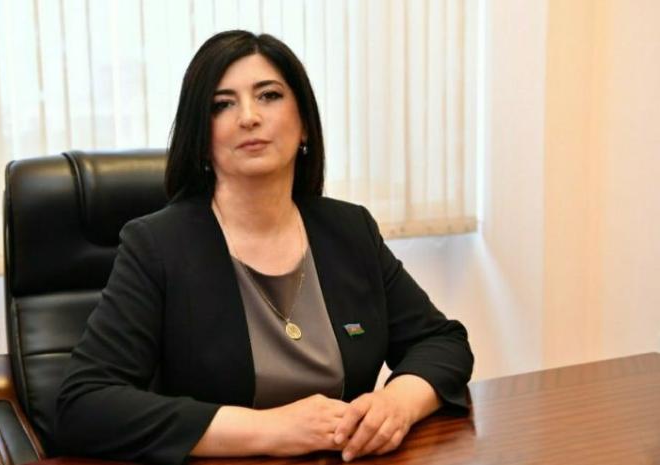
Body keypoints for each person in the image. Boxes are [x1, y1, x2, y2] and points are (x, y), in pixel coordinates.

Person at [55, 30, 473, 465]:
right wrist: (272, 429)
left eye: (269, 96)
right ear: (202, 137)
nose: (249, 117)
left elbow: (442, 342)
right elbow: (84, 404)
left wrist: (397, 403)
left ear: (304, 123)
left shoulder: (349, 229)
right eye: (222, 104)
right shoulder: (158, 246)